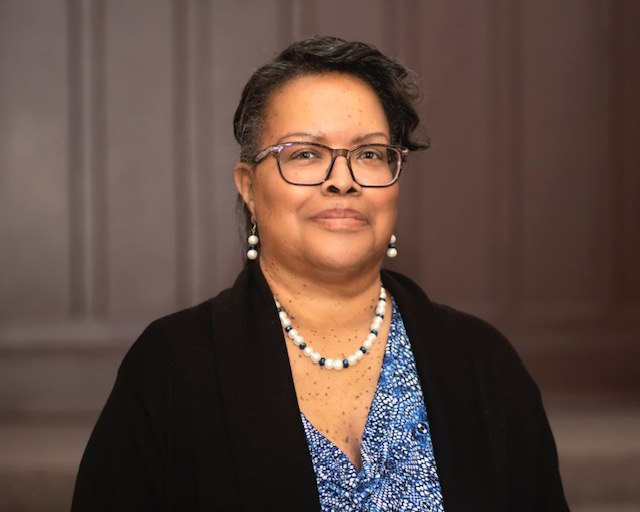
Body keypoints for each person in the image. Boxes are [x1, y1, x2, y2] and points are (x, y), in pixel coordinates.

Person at [71, 36, 569, 511]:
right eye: (306, 154)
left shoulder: (482, 362)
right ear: (249, 187)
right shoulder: (171, 368)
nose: (342, 181)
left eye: (369, 154)